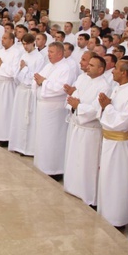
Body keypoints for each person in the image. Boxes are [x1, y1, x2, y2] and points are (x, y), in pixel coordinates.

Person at [97, 59, 128, 228]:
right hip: (109, 140)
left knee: (117, 181)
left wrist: (107, 107)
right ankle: (105, 213)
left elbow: (123, 122)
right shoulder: (118, 88)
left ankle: (116, 219)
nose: (112, 71)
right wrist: (105, 106)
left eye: (115, 68)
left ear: (124, 73)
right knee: (107, 178)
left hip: (120, 144)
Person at [63, 54, 110, 206]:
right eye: (88, 64)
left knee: (86, 163)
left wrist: (78, 106)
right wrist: (74, 105)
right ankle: (72, 187)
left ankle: (87, 195)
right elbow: (73, 97)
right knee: (74, 158)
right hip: (77, 125)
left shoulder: (104, 86)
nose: (88, 67)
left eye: (92, 65)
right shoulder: (83, 79)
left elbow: (96, 110)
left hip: (90, 130)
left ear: (101, 69)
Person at [33, 42, 75, 178]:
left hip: (55, 109)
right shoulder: (49, 65)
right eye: (48, 52)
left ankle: (53, 169)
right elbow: (37, 79)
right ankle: (41, 165)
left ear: (60, 53)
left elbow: (60, 88)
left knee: (53, 139)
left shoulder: (66, 68)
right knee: (42, 138)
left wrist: (43, 82)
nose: (48, 54)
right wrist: (39, 81)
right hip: (43, 107)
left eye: (51, 52)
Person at [8, 33, 45, 156]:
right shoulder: (23, 55)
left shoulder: (39, 57)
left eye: (27, 44)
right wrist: (20, 71)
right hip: (21, 90)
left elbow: (35, 76)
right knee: (19, 118)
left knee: (29, 120)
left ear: (32, 42)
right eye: (23, 44)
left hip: (30, 91)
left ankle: (28, 148)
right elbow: (17, 73)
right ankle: (18, 145)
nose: (25, 46)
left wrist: (24, 69)